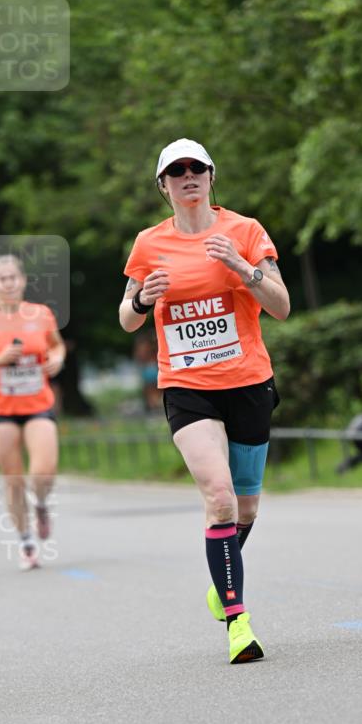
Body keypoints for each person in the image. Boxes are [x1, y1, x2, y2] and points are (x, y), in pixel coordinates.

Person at [119, 138, 290, 663]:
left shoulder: (245, 230)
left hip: (247, 381)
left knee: (245, 505)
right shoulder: (149, 244)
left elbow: (281, 307)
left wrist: (244, 268)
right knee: (218, 495)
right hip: (187, 387)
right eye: (177, 171)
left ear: (212, 177)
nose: (188, 176)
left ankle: (224, 578)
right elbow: (126, 316)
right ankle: (239, 623)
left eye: (197, 168)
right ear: (163, 185)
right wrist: (143, 298)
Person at [0, 254, 66, 568]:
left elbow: (56, 345)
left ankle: (42, 503)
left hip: (38, 405)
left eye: (13, 277)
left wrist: (57, 359)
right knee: (14, 479)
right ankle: (26, 543)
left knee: (43, 471)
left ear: (22, 280)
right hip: (2, 410)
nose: (8, 283)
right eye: (1, 278)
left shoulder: (41, 314)